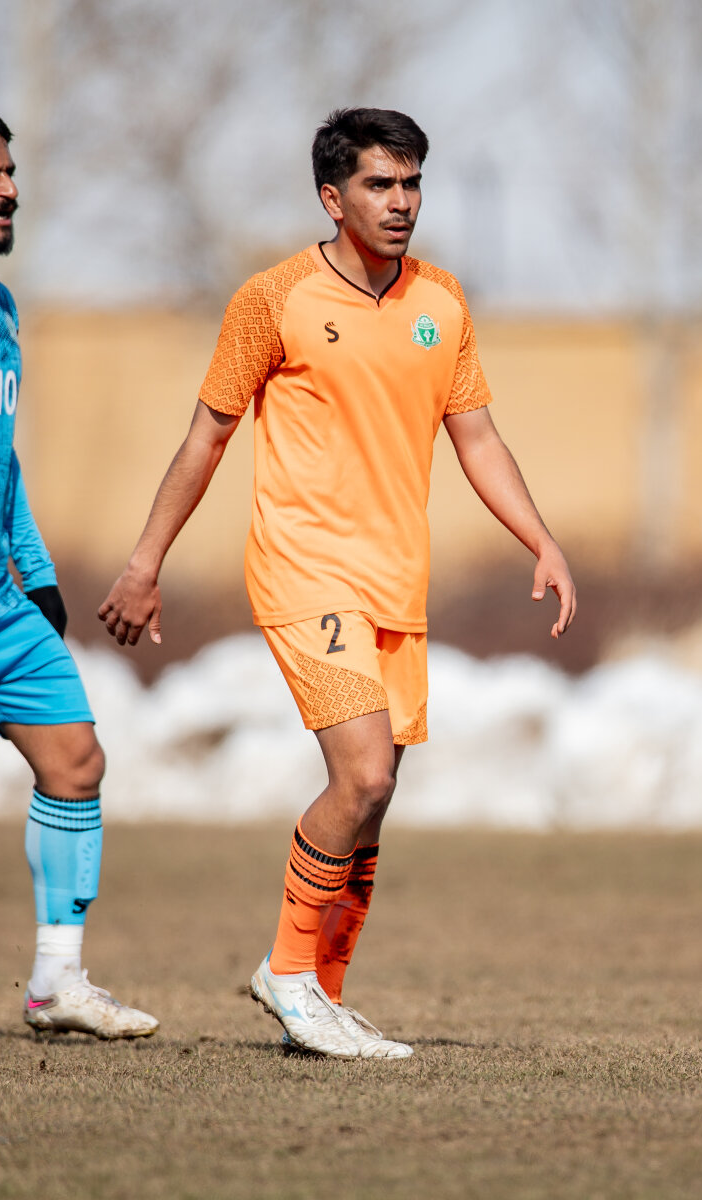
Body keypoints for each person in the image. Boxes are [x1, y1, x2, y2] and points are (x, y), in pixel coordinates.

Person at [99, 107, 576, 1059]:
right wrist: (145, 563)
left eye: (412, 183)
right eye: (378, 184)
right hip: (304, 567)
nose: (401, 203)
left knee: (375, 798)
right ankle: (287, 975)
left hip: (397, 582)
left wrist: (542, 540)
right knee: (360, 774)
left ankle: (320, 996)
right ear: (332, 197)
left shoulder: (443, 300)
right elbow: (207, 437)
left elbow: (477, 437)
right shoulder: (273, 299)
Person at [0, 116, 158, 1040]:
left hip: (3, 604)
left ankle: (57, 981)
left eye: (11, 172)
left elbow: (4, 460)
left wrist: (40, 573)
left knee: (76, 761)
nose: (9, 189)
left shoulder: (2, 311)